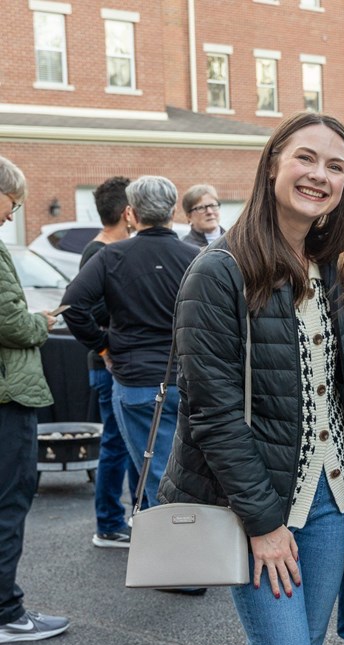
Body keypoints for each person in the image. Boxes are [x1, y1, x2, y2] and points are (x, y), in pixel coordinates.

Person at [158, 112, 344, 645]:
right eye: (305, 157)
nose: (319, 174)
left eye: (335, 166)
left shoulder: (334, 269)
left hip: (333, 496)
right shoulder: (218, 272)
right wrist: (263, 523)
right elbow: (213, 415)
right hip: (259, 505)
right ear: (273, 162)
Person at [62, 176, 199, 513]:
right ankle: (187, 556)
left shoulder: (113, 257)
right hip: (191, 382)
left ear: (132, 213)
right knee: (192, 477)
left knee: (154, 479)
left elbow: (72, 306)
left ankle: (167, 558)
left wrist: (104, 346)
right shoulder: (195, 257)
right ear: (171, 210)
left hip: (136, 383)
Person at [0, 156, 69, 643]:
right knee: (8, 503)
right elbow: (10, 322)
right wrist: (40, 323)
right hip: (8, 395)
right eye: (12, 202)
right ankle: (6, 613)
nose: (12, 213)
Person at [80, 176, 138, 548]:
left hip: (123, 368)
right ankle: (108, 524)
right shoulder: (97, 252)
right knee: (115, 447)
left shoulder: (119, 251)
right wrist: (105, 349)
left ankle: (131, 518)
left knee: (128, 447)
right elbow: (85, 310)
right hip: (108, 369)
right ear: (125, 212)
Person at [180, 184, 227, 248]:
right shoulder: (184, 247)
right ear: (189, 216)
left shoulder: (234, 241)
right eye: (201, 208)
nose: (210, 212)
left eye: (213, 205)